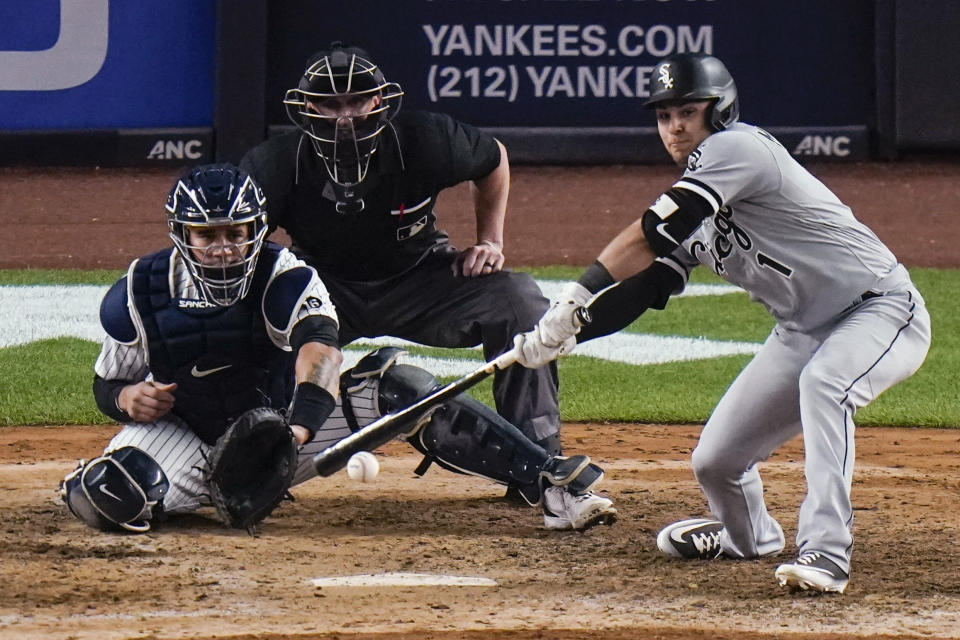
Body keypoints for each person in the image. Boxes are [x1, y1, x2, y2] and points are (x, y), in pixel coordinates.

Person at [511, 53, 931, 593]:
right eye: (664, 116)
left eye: (688, 110)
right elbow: (645, 287)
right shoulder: (698, 204)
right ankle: (749, 535)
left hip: (880, 310)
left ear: (720, 110)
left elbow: (652, 229)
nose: (676, 126)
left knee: (825, 384)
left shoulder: (739, 149)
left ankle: (827, 553)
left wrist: (576, 293)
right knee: (715, 462)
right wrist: (568, 331)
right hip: (801, 331)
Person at [60, 163, 616, 533]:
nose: (225, 248)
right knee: (113, 495)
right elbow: (107, 383)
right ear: (182, 234)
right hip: (183, 431)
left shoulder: (287, 276)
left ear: (257, 231)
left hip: (282, 424)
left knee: (401, 389)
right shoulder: (140, 290)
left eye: (237, 233)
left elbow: (320, 353)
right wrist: (126, 397)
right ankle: (200, 488)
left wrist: (294, 434)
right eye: (209, 235)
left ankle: (548, 481)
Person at [239, 42, 565, 462]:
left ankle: (535, 455)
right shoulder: (277, 164)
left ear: (378, 99)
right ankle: (261, 455)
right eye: (329, 104)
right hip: (325, 291)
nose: (345, 117)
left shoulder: (425, 139)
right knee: (255, 320)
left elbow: (493, 158)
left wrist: (490, 241)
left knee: (520, 303)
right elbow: (240, 236)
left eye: (356, 101)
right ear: (307, 107)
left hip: (420, 277)